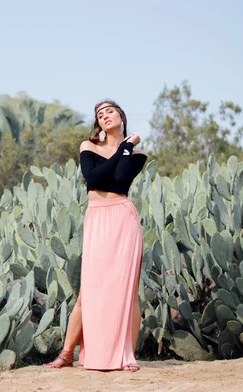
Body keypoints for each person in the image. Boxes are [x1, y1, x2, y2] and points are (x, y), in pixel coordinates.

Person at [45, 100, 147, 372]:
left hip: (123, 218)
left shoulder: (139, 155)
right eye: (100, 115)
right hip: (97, 216)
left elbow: (119, 179)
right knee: (88, 291)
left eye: (109, 111)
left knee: (128, 292)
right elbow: (95, 178)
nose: (105, 116)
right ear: (97, 123)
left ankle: (128, 356)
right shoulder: (88, 147)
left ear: (121, 116)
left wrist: (126, 149)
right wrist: (125, 146)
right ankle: (67, 354)